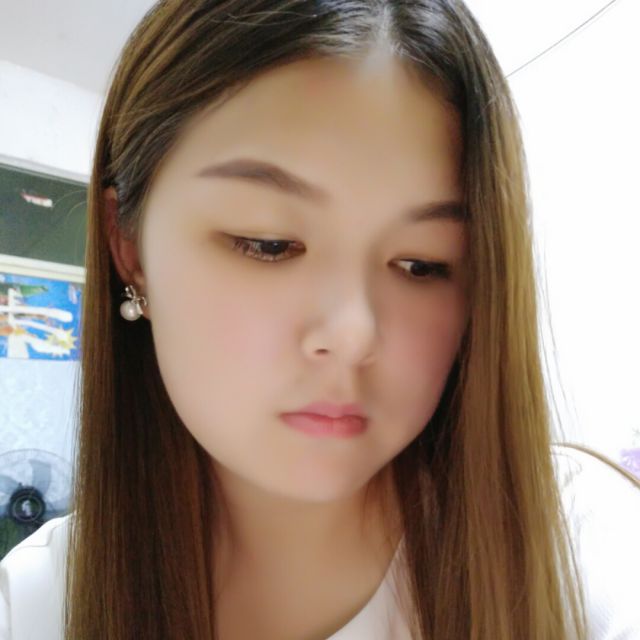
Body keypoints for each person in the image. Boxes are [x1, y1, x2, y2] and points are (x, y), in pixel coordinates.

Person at [1, 1, 639, 638]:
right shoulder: (35, 607)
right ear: (130, 247)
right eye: (269, 243)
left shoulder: (580, 548)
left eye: (422, 264)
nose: (353, 333)